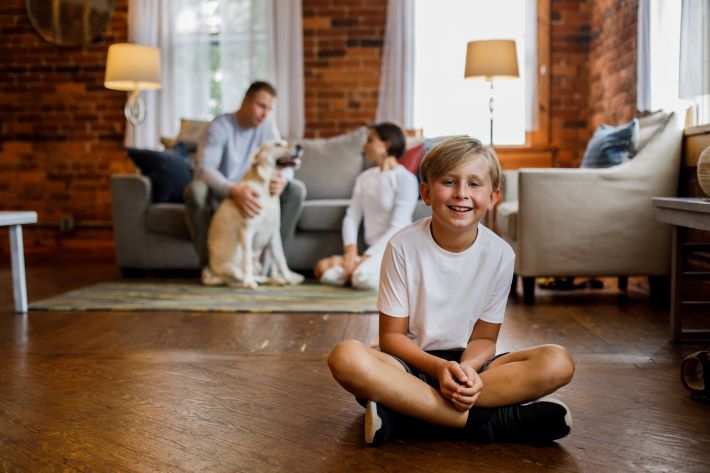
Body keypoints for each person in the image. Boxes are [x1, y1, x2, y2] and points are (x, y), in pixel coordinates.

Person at [327, 136, 575, 446]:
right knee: (346, 357)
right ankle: (492, 423)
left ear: (493, 196)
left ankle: (407, 415)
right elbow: (392, 338)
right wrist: (438, 368)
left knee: (558, 361)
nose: (461, 194)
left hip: (472, 368)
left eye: (474, 184)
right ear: (427, 193)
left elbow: (485, 339)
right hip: (408, 366)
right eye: (449, 182)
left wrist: (464, 372)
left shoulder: (500, 254)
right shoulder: (402, 246)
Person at [184, 81, 306, 265]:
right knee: (196, 191)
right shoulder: (219, 127)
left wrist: (283, 179)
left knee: (296, 189)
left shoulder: (268, 128)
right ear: (245, 101)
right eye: (261, 106)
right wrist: (233, 190)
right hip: (224, 195)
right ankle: (211, 265)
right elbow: (204, 170)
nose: (265, 114)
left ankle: (273, 267)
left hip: (257, 193)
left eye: (269, 109)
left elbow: (283, 160)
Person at [314, 122, 418, 290]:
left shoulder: (406, 179)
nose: (365, 145)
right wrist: (350, 250)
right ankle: (363, 271)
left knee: (362, 277)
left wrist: (367, 257)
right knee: (321, 268)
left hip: (396, 250)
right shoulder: (364, 178)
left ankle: (365, 271)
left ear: (386, 144)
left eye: (370, 140)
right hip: (372, 254)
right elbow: (352, 216)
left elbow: (398, 226)